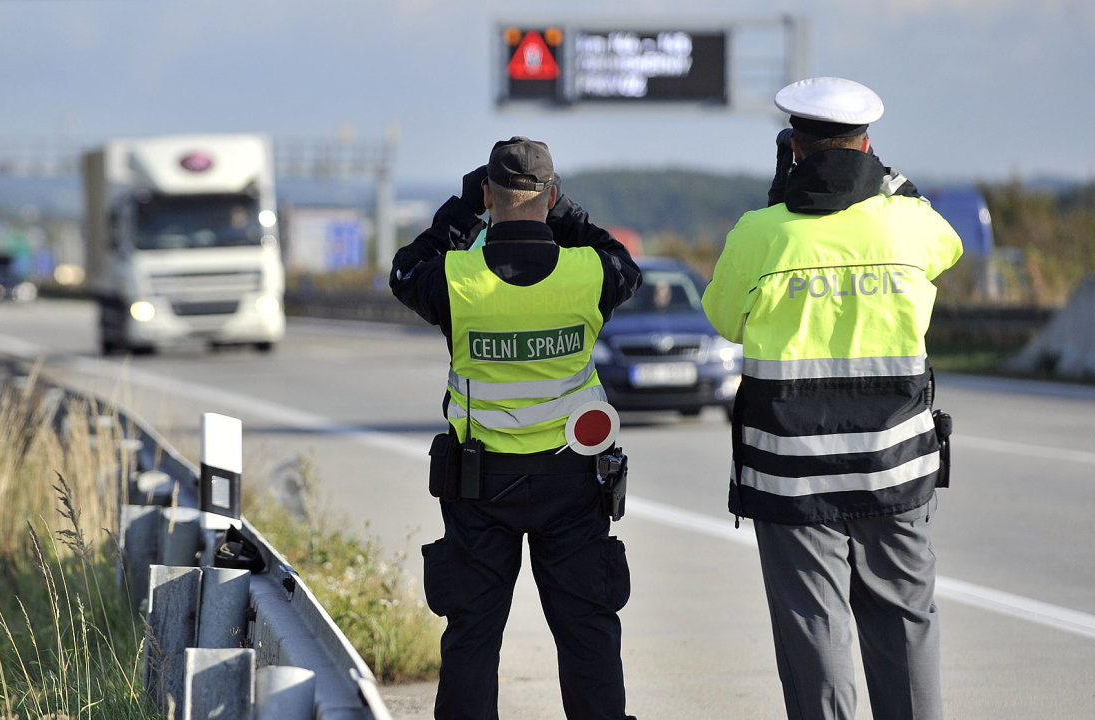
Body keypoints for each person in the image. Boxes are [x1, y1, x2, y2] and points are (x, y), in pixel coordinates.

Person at [702, 77, 963, 720]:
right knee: (905, 618)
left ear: (793, 147)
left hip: (790, 472)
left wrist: (776, 211)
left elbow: (725, 321)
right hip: (894, 462)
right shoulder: (909, 224)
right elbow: (948, 247)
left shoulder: (760, 233)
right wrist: (895, 187)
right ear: (867, 145)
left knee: (812, 629)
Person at [391, 136, 641, 720]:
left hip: (480, 485)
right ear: (550, 196)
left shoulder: (456, 278)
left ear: (488, 195)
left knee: (473, 636)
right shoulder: (589, 274)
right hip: (573, 483)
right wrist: (566, 213)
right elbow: (621, 260)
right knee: (587, 632)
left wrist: (460, 211)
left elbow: (405, 269)